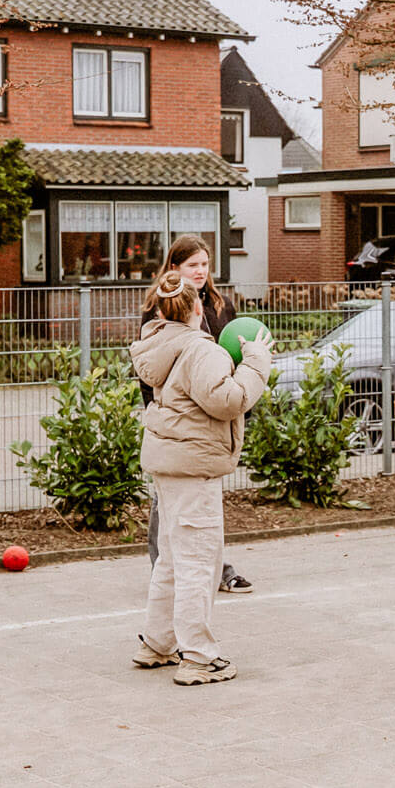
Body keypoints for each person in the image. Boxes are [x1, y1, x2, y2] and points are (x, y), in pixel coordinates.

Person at [128, 267, 273, 685]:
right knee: (198, 562)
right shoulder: (200, 349)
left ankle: (157, 643)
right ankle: (198, 656)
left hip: (169, 465)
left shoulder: (157, 344)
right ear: (196, 308)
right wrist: (256, 362)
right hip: (195, 467)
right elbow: (229, 400)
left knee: (173, 558)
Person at [140, 236, 253, 594]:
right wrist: (157, 412)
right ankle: (164, 570)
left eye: (205, 264)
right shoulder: (158, 309)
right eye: (193, 265)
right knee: (167, 500)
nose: (201, 271)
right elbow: (150, 369)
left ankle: (215, 568)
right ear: (174, 268)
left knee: (205, 506)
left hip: (214, 417)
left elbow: (233, 360)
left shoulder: (221, 306)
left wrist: (240, 405)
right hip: (178, 422)